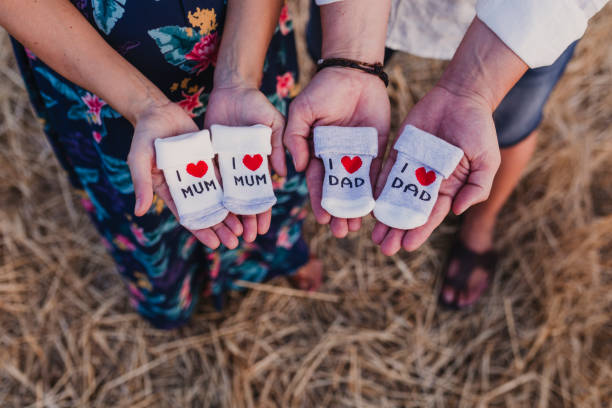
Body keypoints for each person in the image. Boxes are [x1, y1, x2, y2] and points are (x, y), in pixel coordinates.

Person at [0, 0, 326, 329]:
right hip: (93, 64)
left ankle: (277, 255)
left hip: (246, 34)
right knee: (146, 201)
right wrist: (142, 105)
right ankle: (173, 297)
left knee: (262, 169)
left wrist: (240, 78)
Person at [294, 0, 608, 309]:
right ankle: (345, 71)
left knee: (510, 128)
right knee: (335, 73)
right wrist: (349, 61)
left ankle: (482, 221)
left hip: (531, 19)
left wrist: (474, 91)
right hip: (361, 11)